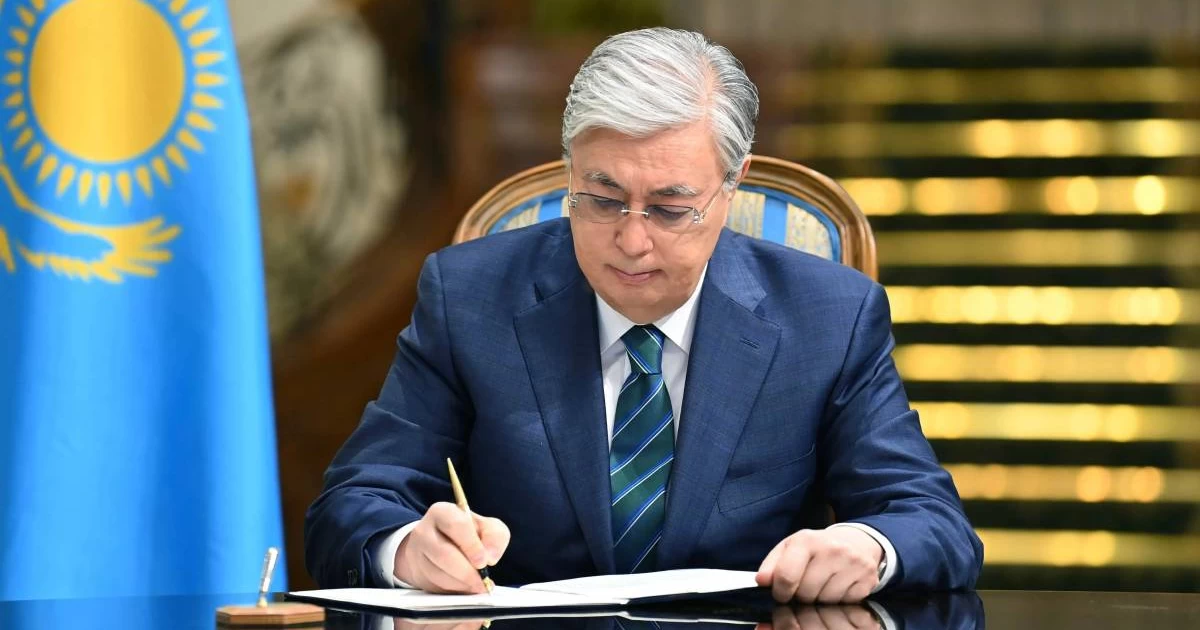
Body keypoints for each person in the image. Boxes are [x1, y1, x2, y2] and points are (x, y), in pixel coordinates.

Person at [305, 27, 982, 603]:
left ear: (732, 185)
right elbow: (351, 505)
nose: (631, 241)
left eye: (669, 208)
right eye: (602, 200)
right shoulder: (470, 298)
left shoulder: (827, 317)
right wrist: (405, 548)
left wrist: (867, 545)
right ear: (570, 171)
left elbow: (931, 520)